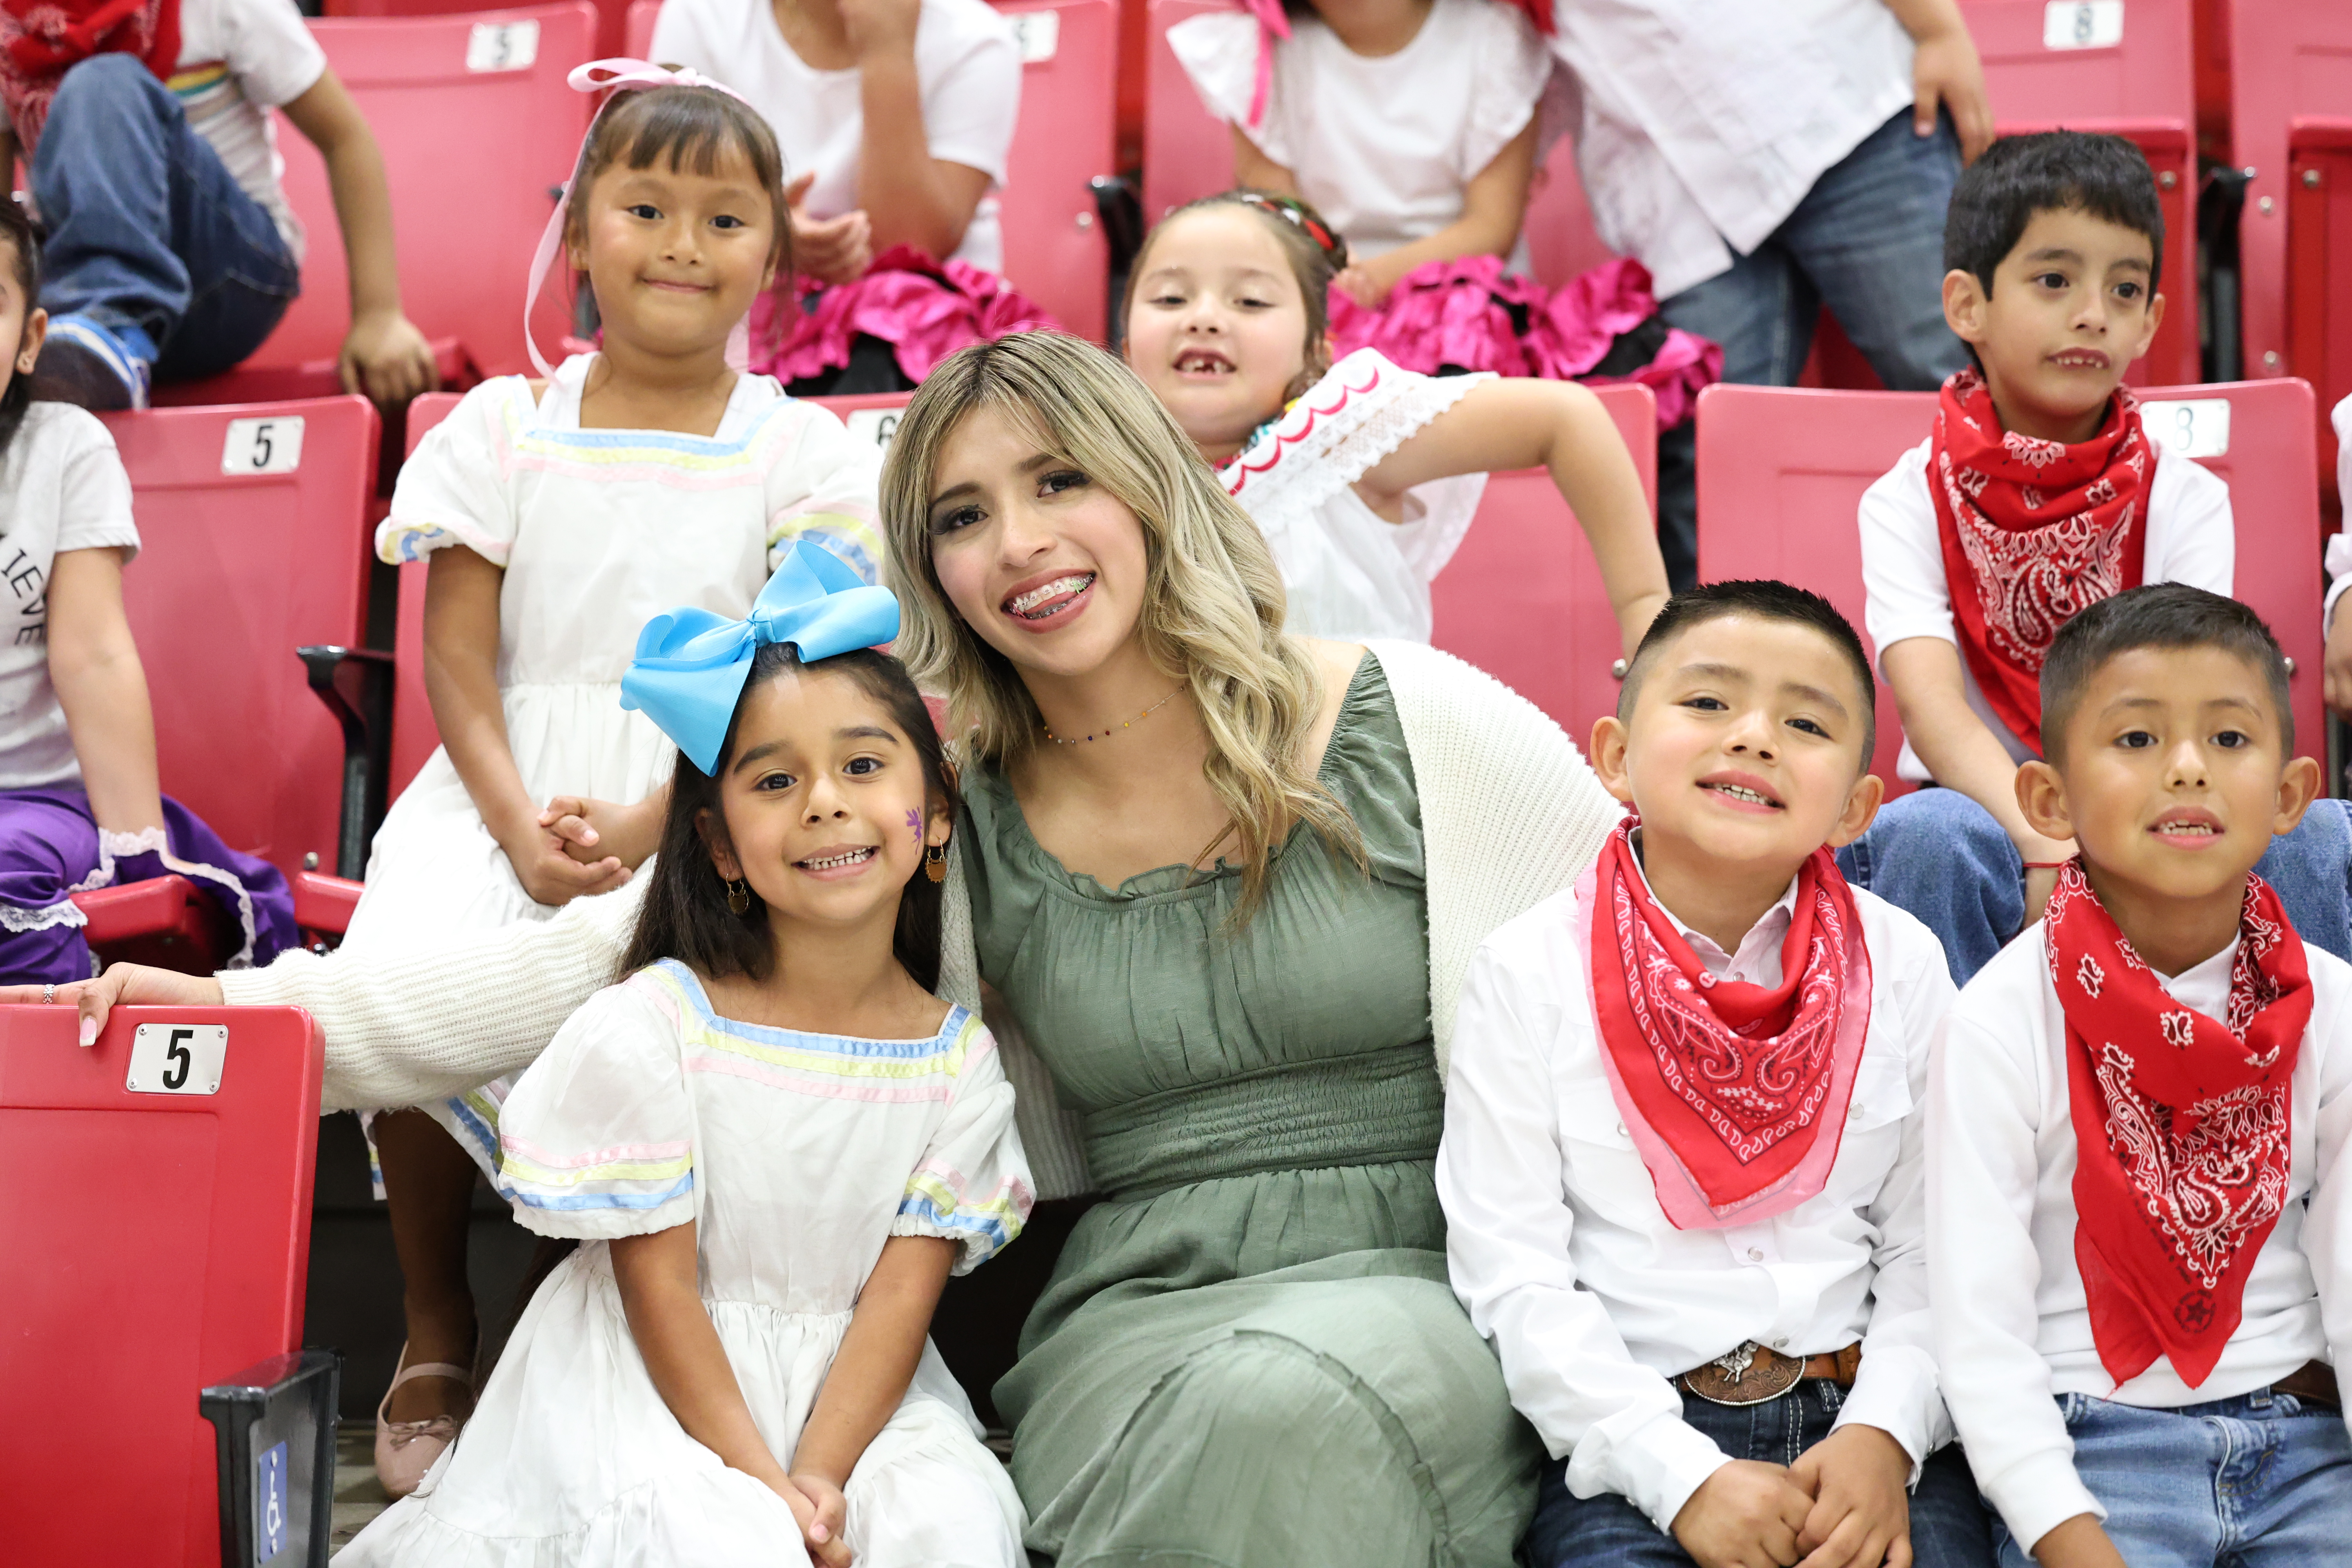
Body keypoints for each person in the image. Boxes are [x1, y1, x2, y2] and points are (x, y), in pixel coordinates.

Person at [53, 329, 1637, 1567]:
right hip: (1140, 1299)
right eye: (963, 514)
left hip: (1436, 1263)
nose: (1019, 541)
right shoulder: (949, 801)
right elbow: (576, 970)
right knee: (1239, 1403)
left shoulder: (1414, 717)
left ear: (1153, 485)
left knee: (1292, 1401)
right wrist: (257, 1010)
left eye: (1059, 481)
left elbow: (1643, 962)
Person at [348, 63, 885, 1499]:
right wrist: (519, 822)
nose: (680, 245)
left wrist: (664, 816)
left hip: (711, 788)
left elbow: (788, 657)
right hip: (503, 784)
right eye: (644, 208)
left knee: (662, 1001)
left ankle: (606, 1330)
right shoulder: (499, 429)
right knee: (413, 955)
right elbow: (457, 656)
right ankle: (436, 1320)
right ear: (578, 231)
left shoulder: (798, 445)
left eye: (724, 219)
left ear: (772, 255)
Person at [339, 547, 1032, 1567]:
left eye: (865, 765)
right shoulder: (657, 1027)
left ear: (934, 816)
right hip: (644, 1384)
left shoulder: (952, 1059)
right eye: (776, 779)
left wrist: (822, 1482)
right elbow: (659, 1300)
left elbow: (898, 1299)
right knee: (720, 1538)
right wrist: (767, 1491)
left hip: (857, 1398)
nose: (826, 802)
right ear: (714, 847)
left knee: (948, 1525)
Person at [1442, 579, 1992, 1568]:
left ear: (1857, 808)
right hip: (1640, 1435)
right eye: (1706, 702)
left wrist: (1885, 1435)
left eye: (1806, 722)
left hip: (1866, 1424)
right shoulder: (1528, 972)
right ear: (1614, 756)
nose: (1753, 736)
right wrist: (1677, 1475)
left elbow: (1940, 1245)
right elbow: (1515, 1272)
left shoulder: (1902, 966)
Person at [1927, 584, 2352, 1568]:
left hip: (2305, 1441)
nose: (2190, 768)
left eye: (2231, 740)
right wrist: (2064, 1533)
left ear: (2291, 792)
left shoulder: (2331, 1007)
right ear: (2048, 799)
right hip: (2089, 1450)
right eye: (2136, 741)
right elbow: (1979, 1331)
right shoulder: (1998, 1018)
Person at [1842, 131, 2237, 984]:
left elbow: (2180, 700)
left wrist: (2091, 835)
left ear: (2150, 322)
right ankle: (1939, 1102)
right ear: (1967, 305)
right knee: (1927, 836)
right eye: (2054, 280)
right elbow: (1931, 705)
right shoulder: (1906, 498)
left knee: (2315, 838)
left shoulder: (2187, 499)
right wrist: (2041, 838)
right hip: (1978, 814)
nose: (2093, 311)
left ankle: (2253, 1099)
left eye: (2124, 289)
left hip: (2148, 795)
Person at [1543, 0, 1988, 591]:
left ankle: (2059, 633)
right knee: (1711, 453)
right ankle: (1704, 670)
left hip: (1837, 108)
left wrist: (1939, 30)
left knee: (1958, 376)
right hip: (1679, 192)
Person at [1124, 189, 1670, 654]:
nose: (1205, 319)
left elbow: (1566, 417)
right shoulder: (1098, 468)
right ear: (1125, 348)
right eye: (1171, 298)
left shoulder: (1337, 435)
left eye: (1250, 301)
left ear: (1316, 352)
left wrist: (1646, 614)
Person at [1165, 0, 1719, 454]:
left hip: (1467, 301)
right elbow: (1281, 224)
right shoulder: (1258, 54)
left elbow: (1490, 228)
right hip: (1328, 296)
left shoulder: (1491, 37)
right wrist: (1336, 278)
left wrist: (1375, 279)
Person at [0, 196, 293, 981]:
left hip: (33, 804)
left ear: (31, 340)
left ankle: (50, 1089)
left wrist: (134, 844)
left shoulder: (64, 448)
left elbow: (92, 655)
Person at [0, 0, 437, 409]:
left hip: (224, 281)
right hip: (65, 314)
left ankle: (109, 320)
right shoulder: (8, 33)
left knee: (100, 84)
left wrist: (379, 316)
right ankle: (99, 349)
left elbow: (346, 140)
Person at [648, 0, 1045, 393]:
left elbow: (910, 245)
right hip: (744, 292)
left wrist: (887, 49)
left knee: (896, 322)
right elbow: (661, 202)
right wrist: (769, 234)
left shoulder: (976, 39)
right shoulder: (699, 15)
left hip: (916, 330)